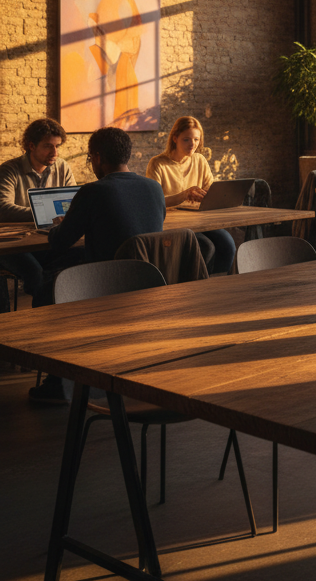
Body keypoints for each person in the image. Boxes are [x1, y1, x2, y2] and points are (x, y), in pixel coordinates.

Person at [32, 126, 165, 405]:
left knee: (44, 292)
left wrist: (59, 225)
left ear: (97, 157)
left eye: (91, 159)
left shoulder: (93, 191)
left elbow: (60, 242)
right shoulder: (154, 187)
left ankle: (58, 382)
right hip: (150, 283)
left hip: (105, 286)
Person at [0, 118, 77, 305]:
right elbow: (2, 208)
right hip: (14, 244)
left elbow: (74, 203)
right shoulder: (9, 170)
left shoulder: (62, 167)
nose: (55, 153)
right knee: (35, 273)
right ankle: (45, 318)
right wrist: (44, 214)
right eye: (48, 146)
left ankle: (63, 312)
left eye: (57, 146)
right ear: (31, 145)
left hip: (47, 239)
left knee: (78, 259)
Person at [146, 116, 236, 274]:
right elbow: (153, 203)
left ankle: (219, 287)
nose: (192, 144)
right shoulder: (157, 164)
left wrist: (213, 195)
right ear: (175, 138)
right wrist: (184, 195)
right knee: (207, 247)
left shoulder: (200, 160)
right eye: (186, 139)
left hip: (198, 220)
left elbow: (210, 190)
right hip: (172, 225)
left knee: (227, 244)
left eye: (196, 139)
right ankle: (199, 289)